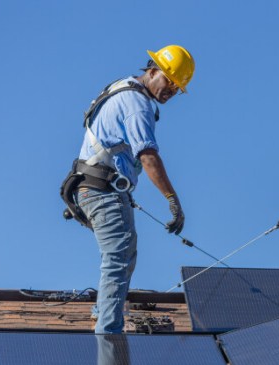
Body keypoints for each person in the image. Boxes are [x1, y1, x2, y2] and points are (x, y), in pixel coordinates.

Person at [60, 45, 195, 334]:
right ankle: (108, 333)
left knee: (124, 252)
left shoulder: (122, 88)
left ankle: (104, 310)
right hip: (102, 190)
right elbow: (148, 156)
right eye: (169, 80)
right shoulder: (138, 104)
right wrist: (172, 200)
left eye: (177, 87)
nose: (171, 90)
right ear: (153, 69)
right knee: (118, 257)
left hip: (93, 186)